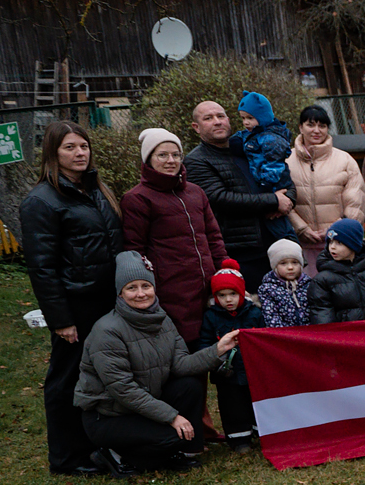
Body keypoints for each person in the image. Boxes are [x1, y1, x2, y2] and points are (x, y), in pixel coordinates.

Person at [20, 120, 124, 475]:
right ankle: (66, 457)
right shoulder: (41, 201)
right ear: (53, 153)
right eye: (70, 148)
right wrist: (60, 319)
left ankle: (97, 444)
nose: (80, 153)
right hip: (75, 304)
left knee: (103, 372)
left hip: (106, 299)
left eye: (83, 146)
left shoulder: (96, 189)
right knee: (66, 378)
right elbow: (41, 266)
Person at [74, 252, 238, 474]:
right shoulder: (107, 331)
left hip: (144, 404)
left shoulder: (162, 319)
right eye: (132, 288)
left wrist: (218, 350)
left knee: (189, 385)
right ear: (120, 294)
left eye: (146, 286)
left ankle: (182, 453)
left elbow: (180, 364)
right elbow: (124, 390)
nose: (141, 294)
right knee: (171, 439)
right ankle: (112, 454)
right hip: (109, 415)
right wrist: (172, 417)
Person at [119, 127, 225, 345]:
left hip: (207, 286)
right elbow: (135, 250)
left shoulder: (196, 193)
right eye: (162, 155)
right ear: (149, 159)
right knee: (182, 351)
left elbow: (213, 236)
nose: (171, 160)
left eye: (176, 155)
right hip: (171, 291)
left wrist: (225, 268)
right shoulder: (137, 198)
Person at [185, 100, 289, 290]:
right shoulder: (196, 161)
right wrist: (273, 201)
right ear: (196, 127)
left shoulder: (248, 147)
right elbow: (219, 198)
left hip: (277, 244)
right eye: (208, 118)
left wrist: (290, 198)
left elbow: (283, 175)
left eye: (220, 116)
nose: (217, 121)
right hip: (241, 253)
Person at [278, 105, 365, 259]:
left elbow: (355, 203)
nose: (316, 130)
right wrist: (301, 229)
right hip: (299, 245)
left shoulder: (345, 160)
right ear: (301, 127)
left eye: (322, 126)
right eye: (310, 125)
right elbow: (282, 200)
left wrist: (335, 230)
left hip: (339, 244)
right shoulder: (285, 161)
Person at [193, 259, 259, 448]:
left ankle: (258, 431)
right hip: (226, 374)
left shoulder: (254, 313)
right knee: (232, 407)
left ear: (242, 293)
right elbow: (205, 342)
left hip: (251, 370)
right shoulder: (211, 317)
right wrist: (213, 356)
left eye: (233, 294)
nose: (228, 299)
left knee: (253, 402)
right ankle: (239, 439)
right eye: (222, 295)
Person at [310, 218, 365, 324]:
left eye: (339, 243)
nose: (332, 247)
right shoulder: (322, 281)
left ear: (353, 245)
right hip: (344, 337)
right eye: (330, 242)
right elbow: (322, 315)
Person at [233, 91, 296, 206]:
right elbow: (243, 136)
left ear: (263, 117)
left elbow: (274, 165)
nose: (245, 122)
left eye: (250, 118)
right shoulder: (254, 133)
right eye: (243, 118)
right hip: (262, 182)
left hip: (274, 184)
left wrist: (265, 185)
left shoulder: (271, 139)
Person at [258, 238, 311, 327]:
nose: (290, 267)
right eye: (283, 263)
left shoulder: (309, 284)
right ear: (275, 267)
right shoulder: (267, 289)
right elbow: (271, 317)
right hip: (283, 336)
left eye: (295, 262)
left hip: (309, 334)